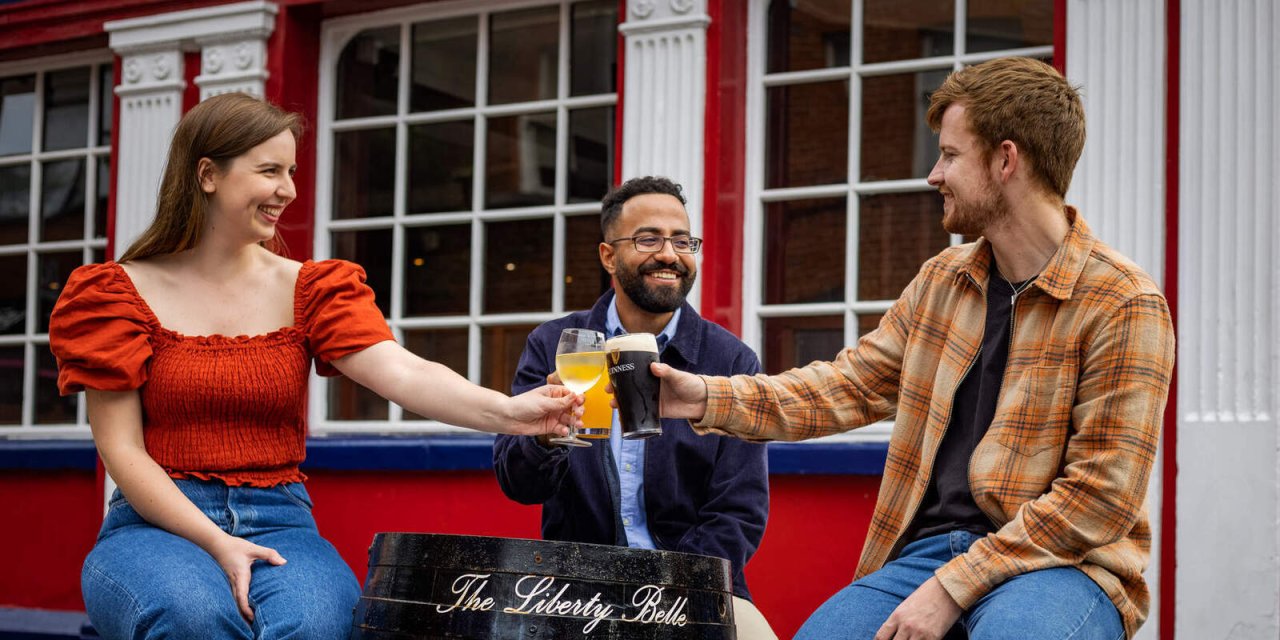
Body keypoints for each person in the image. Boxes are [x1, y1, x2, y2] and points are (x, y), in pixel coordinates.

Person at [647, 58, 1175, 640]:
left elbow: (1098, 499)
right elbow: (843, 387)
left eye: (950, 155)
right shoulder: (942, 281)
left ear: (1006, 160)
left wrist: (955, 587)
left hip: (1064, 565)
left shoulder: (1123, 302)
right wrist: (701, 397)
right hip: (926, 554)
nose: (933, 174)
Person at [48, 93, 580, 640]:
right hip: (155, 522)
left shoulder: (311, 287)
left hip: (280, 519)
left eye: (292, 171)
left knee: (316, 625)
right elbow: (121, 451)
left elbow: (405, 373)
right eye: (270, 171)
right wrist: (215, 540)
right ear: (208, 174)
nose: (289, 190)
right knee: (194, 619)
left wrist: (514, 413)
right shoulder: (113, 293)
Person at [492, 176, 776, 639]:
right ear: (608, 255)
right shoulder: (555, 347)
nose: (669, 254)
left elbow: (739, 511)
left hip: (695, 589)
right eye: (649, 239)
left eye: (682, 241)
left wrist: (669, 592)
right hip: (574, 589)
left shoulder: (730, 361)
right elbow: (518, 485)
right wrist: (547, 438)